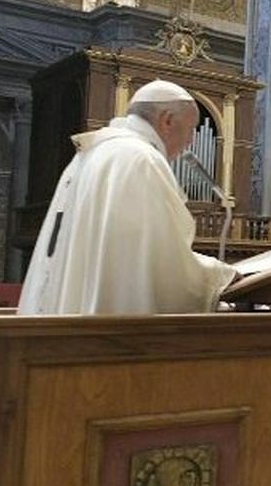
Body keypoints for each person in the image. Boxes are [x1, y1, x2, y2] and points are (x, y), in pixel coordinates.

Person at [18, 80, 236, 315]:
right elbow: (163, 264)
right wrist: (224, 276)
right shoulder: (141, 160)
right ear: (167, 120)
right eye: (191, 129)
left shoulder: (94, 153)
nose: (191, 141)